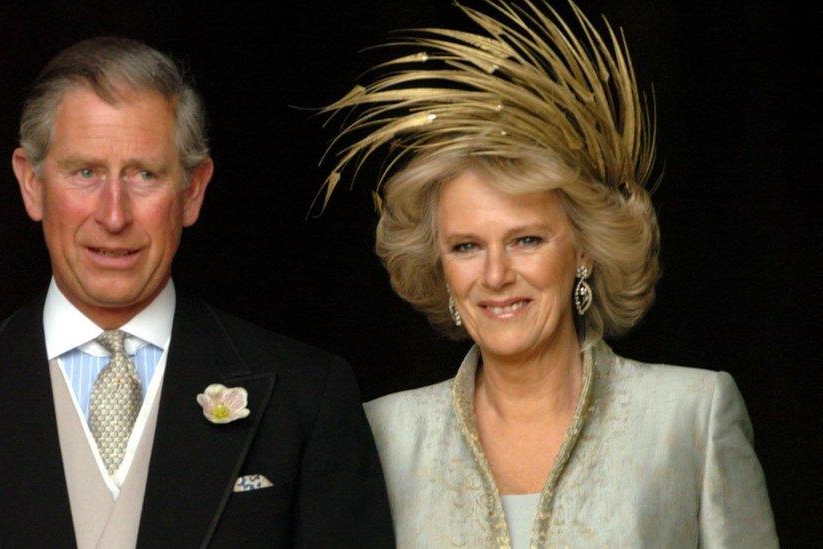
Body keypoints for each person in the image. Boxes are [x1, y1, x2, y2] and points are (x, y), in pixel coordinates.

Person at [0, 37, 394, 548]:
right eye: (84, 172)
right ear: (32, 183)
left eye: (144, 175)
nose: (113, 215)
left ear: (192, 190)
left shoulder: (307, 399)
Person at [322, 2, 777, 547]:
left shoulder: (690, 416)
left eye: (526, 240)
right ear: (440, 269)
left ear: (584, 250)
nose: (494, 274)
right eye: (466, 246)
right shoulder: (380, 434)